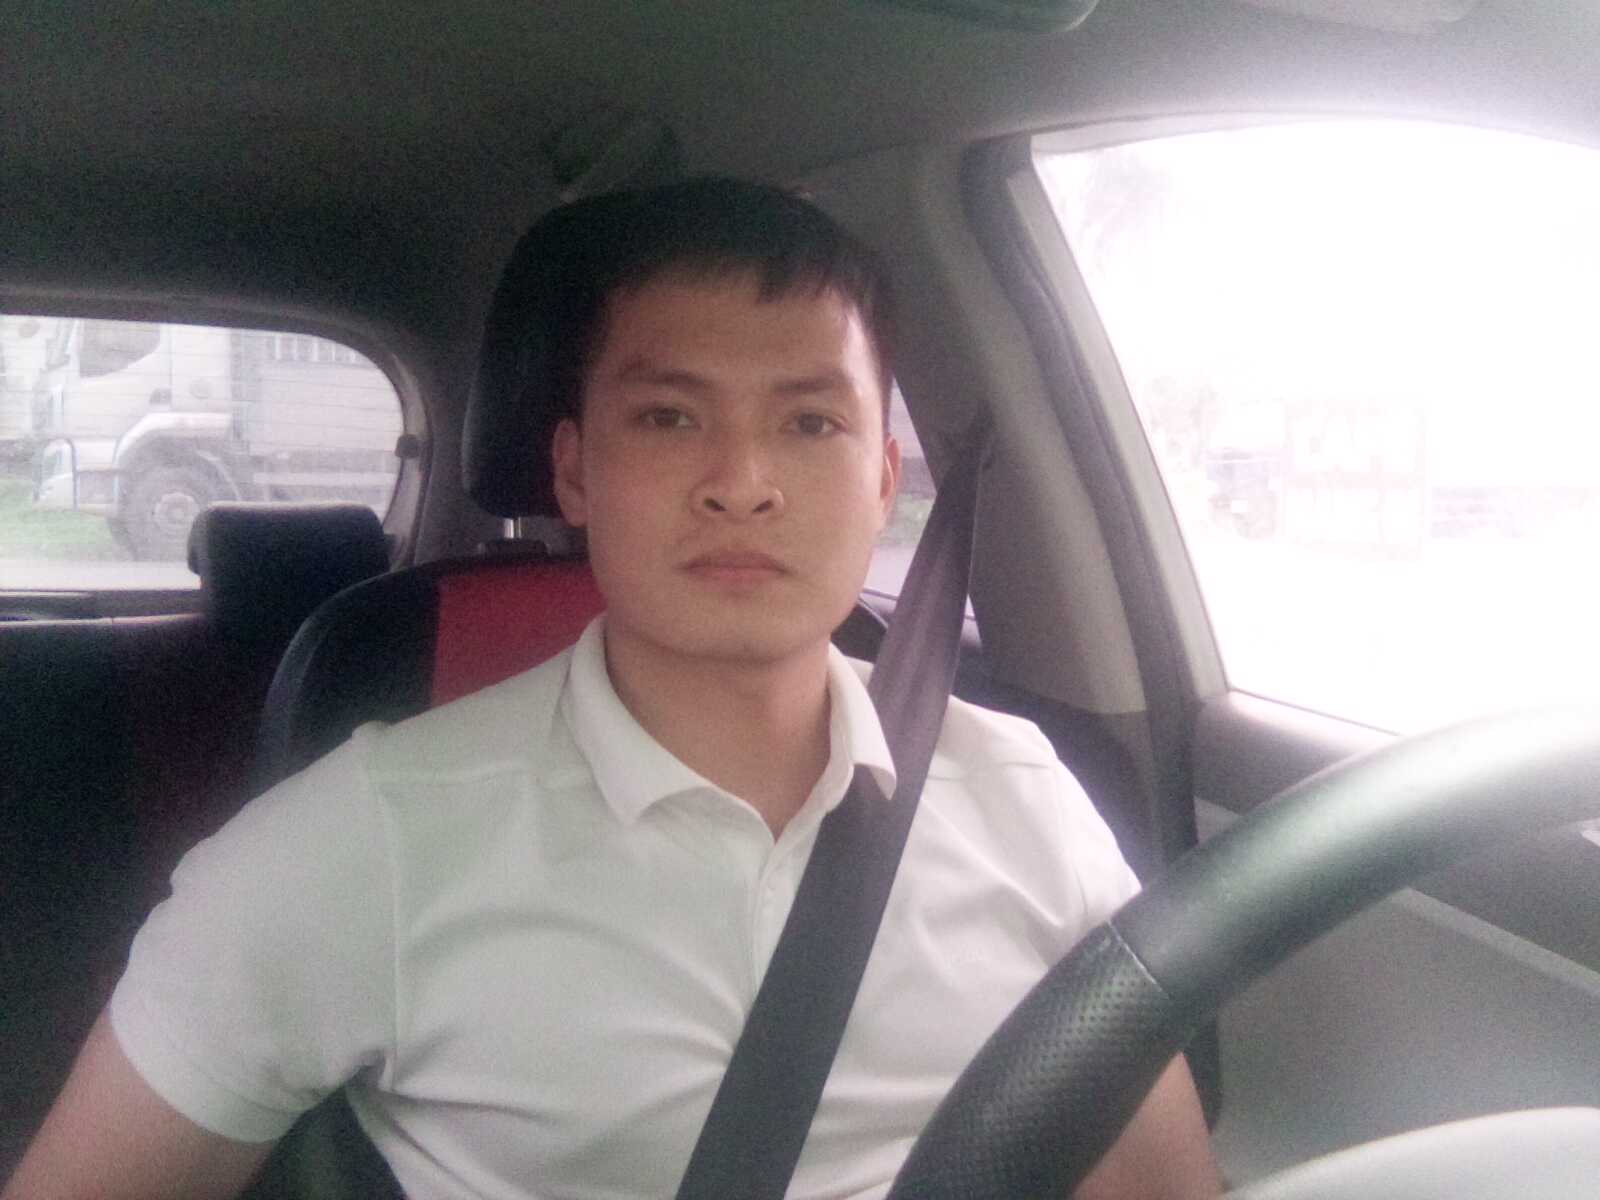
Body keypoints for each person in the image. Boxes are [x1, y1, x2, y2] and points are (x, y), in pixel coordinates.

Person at [5, 179, 1219, 1199]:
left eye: (809, 424)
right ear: (576, 470)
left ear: (883, 477)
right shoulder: (362, 842)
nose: (742, 482)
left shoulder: (1023, 800)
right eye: (670, 416)